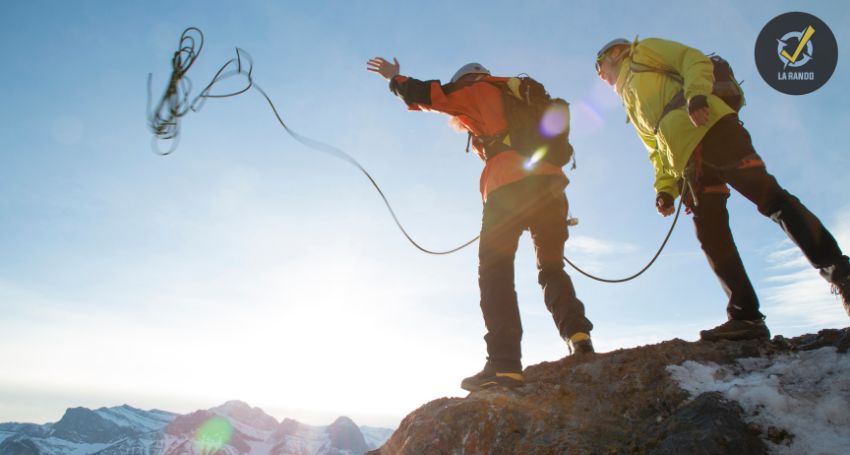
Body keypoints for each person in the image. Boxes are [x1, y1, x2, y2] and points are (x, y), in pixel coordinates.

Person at [595, 37, 850, 341]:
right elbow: (655, 150)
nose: (601, 76)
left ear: (614, 54)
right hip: (690, 164)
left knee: (771, 199)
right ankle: (746, 318)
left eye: (600, 67)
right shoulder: (630, 102)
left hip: (715, 130)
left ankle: (843, 276)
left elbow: (693, 58)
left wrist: (697, 96)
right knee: (711, 235)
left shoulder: (643, 54)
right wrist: (665, 189)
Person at [367, 57, 594, 391]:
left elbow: (430, 95)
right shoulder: (520, 95)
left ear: (466, 80)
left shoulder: (476, 91)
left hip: (508, 189)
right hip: (551, 188)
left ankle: (505, 367)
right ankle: (579, 336)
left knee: (496, 273)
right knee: (551, 267)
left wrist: (395, 78)